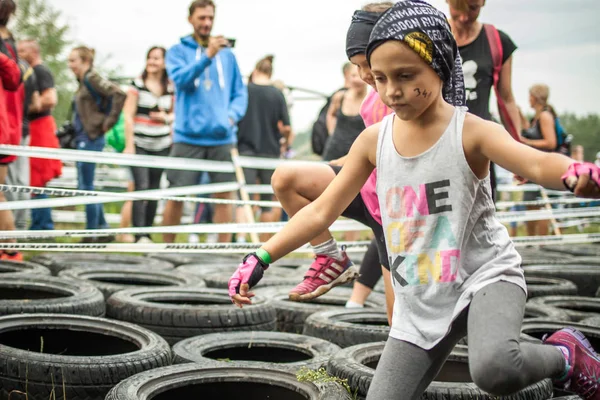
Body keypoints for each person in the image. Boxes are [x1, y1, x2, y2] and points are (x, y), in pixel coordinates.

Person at [228, 2, 600, 399]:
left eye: (406, 76)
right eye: (381, 78)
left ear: (438, 66)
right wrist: (260, 257)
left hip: (483, 277)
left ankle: (566, 356)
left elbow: (537, 162)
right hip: (420, 299)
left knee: (495, 370)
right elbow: (321, 210)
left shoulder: (471, 132)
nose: (391, 91)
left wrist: (573, 173)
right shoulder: (373, 141)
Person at [265, 2, 395, 319]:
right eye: (355, 66)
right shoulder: (368, 99)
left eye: (366, 63)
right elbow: (367, 151)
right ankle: (330, 257)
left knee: (399, 321)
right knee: (285, 179)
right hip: (368, 190)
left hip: (399, 207)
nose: (362, 74)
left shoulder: (407, 90)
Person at [162, 0, 247, 244]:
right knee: (176, 195)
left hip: (221, 136)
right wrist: (207, 56)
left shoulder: (228, 55)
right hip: (187, 136)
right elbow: (181, 81)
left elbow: (239, 92)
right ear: (191, 19)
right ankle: (166, 248)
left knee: (224, 196)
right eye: (201, 18)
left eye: (210, 18)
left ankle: (222, 252)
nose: (207, 23)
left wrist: (230, 117)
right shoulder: (178, 51)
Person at [447, 0, 521, 202]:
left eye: (472, 8)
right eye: (457, 9)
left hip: (479, 148)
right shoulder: (433, 37)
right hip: (439, 145)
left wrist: (518, 149)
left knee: (484, 215)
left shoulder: (496, 41)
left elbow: (506, 99)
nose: (464, 17)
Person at [68, 46, 126, 239]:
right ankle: (102, 227)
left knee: (87, 187)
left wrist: (107, 123)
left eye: (73, 60)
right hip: (82, 136)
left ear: (85, 61)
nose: (70, 65)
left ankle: (92, 231)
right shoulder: (82, 82)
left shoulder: (92, 78)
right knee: (85, 184)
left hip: (91, 138)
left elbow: (118, 94)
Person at [235, 55, 291, 242]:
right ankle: (265, 246)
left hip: (244, 150)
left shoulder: (244, 90)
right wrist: (284, 141)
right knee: (267, 202)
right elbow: (287, 127)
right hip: (270, 152)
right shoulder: (277, 94)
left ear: (255, 71)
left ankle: (242, 240)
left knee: (245, 199)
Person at [123, 46, 174, 244]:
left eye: (157, 58)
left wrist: (166, 118)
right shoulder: (136, 84)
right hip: (140, 143)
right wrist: (129, 146)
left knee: (154, 189)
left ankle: (148, 231)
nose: (152, 62)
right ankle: (139, 234)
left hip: (162, 143)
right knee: (141, 186)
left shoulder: (171, 86)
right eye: (150, 58)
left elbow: (175, 114)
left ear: (164, 62)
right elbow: (128, 115)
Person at [17, 39, 62, 231]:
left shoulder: (39, 71)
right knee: (33, 178)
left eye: (22, 50)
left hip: (40, 126)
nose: (18, 53)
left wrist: (25, 107)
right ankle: (40, 223)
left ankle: (42, 225)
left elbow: (51, 98)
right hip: (36, 125)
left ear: (33, 52)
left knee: (37, 178)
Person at [519, 84, 562, 237]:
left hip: (544, 165)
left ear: (535, 97)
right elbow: (531, 133)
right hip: (536, 165)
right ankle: (532, 240)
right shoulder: (537, 117)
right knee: (531, 206)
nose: (528, 99)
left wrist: (527, 143)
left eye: (530, 95)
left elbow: (551, 142)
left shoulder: (544, 116)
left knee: (541, 207)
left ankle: (541, 242)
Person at [5, 43, 39, 232]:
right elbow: (37, 102)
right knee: (22, 181)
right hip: (23, 129)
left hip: (8, 130)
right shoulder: (29, 71)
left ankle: (10, 233)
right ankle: (19, 226)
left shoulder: (9, 67)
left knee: (8, 184)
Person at [0, 0, 23, 261]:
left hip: (3, 129)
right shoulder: (9, 44)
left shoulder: (6, 47)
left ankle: (11, 249)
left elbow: (13, 78)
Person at [322, 63, 367, 162]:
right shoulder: (340, 97)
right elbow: (331, 114)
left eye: (360, 76)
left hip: (357, 156)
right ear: (348, 76)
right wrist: (332, 132)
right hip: (334, 151)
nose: (357, 80)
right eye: (353, 76)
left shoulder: (370, 101)